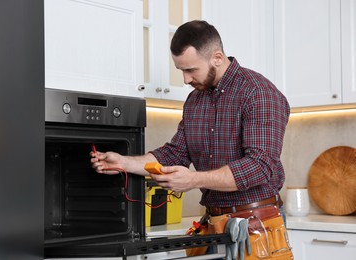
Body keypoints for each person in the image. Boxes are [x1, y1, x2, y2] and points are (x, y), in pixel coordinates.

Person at [91, 20, 292, 259]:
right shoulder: (195, 100)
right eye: (181, 71)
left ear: (217, 57)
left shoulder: (259, 93)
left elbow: (260, 166)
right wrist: (123, 162)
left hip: (257, 226)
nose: (185, 80)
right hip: (214, 223)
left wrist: (194, 180)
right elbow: (175, 153)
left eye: (191, 70)